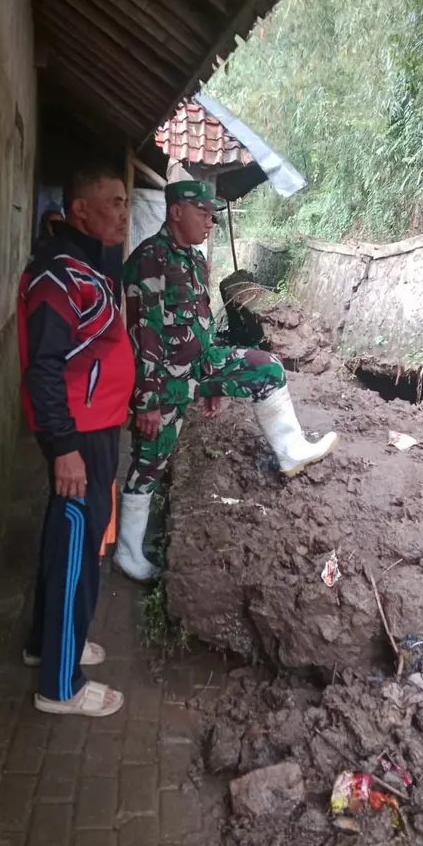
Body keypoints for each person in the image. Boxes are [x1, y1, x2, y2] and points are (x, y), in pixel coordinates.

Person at [114, 179, 339, 582]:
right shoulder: (151, 258)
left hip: (200, 367)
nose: (210, 222)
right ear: (176, 211)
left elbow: (199, 324)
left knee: (266, 368)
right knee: (150, 463)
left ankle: (290, 450)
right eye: (203, 212)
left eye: (212, 215)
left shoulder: (195, 259)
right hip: (163, 382)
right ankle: (128, 553)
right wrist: (146, 401)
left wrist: (214, 384)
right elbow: (142, 335)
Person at [17, 165, 133, 717]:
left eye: (126, 203)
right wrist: (63, 446)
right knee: (76, 553)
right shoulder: (58, 276)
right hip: (78, 436)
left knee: (67, 541)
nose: (123, 214)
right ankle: (60, 685)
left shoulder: (84, 266)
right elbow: (42, 368)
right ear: (81, 210)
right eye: (113, 202)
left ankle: (47, 643)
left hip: (93, 430)